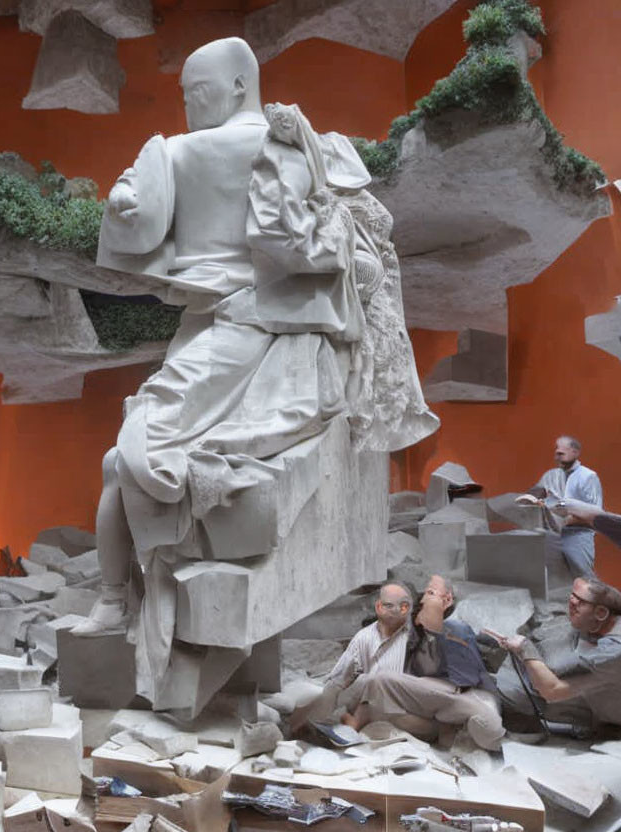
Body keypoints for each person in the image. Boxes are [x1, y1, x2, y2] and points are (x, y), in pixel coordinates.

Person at [71, 37, 436, 707]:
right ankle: (113, 601)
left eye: (198, 91)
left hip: (262, 337)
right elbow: (137, 230)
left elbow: (331, 252)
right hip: (207, 329)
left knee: (132, 457)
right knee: (123, 462)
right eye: (182, 94)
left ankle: (118, 600)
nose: (187, 104)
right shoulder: (189, 152)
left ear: (241, 85)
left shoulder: (290, 148)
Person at [345, 575, 504, 750]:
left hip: (465, 698)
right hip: (435, 711)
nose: (423, 600)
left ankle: (454, 728)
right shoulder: (417, 640)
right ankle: (445, 730)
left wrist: (436, 629)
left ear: (447, 600)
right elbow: (410, 686)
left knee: (381, 680)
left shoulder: (456, 629)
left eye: (430, 593)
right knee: (372, 693)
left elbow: (464, 683)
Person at [490, 576, 621, 731]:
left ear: (600, 612)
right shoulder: (599, 625)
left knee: (493, 686)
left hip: (576, 703)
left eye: (581, 601)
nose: (572, 603)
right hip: (555, 679)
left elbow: (552, 691)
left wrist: (525, 648)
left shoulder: (612, 654)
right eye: (572, 596)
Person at [290, 582, 414, 731]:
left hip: (394, 701)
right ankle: (313, 726)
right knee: (332, 690)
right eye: (384, 605)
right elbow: (341, 678)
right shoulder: (367, 635)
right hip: (360, 696)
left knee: (370, 683)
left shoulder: (414, 638)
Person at [521, 435, 602, 578]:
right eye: (556, 453)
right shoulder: (551, 475)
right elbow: (537, 492)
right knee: (557, 578)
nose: (556, 457)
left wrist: (566, 519)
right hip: (552, 534)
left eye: (561, 454)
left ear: (575, 453)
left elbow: (596, 514)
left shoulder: (588, 477)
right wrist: (530, 499)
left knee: (584, 577)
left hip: (578, 535)